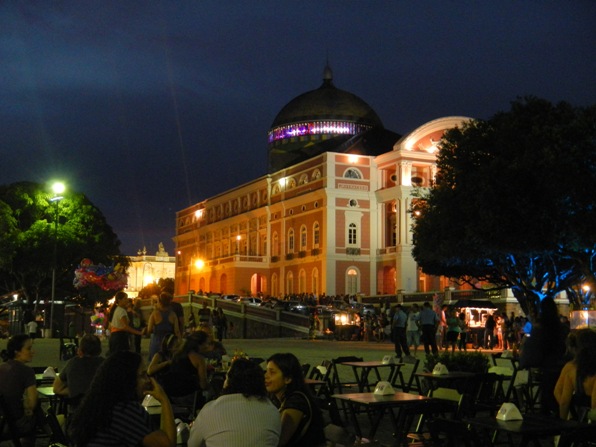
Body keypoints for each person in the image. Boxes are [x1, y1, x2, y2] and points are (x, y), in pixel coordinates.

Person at [68, 350, 176, 447]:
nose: (148, 380)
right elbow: (167, 444)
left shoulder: (101, 407)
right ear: (128, 380)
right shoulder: (124, 411)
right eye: (143, 375)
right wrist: (163, 399)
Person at [187, 358, 281, 446]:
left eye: (226, 378)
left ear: (229, 382)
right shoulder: (272, 411)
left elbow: (192, 444)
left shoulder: (210, 410)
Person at [265, 353, 325, 447]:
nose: (266, 376)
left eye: (272, 372)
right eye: (266, 371)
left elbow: (280, 440)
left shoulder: (296, 402)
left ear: (288, 379)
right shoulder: (276, 399)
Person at [519, 297, 567, 416]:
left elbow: (531, 347)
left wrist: (524, 362)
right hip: (561, 367)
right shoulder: (562, 328)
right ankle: (559, 418)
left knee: (546, 397)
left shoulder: (540, 328)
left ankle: (546, 422)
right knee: (556, 396)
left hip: (545, 367)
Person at [0, 334, 38, 447]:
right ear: (17, 352)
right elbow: (32, 403)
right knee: (36, 416)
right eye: (28, 348)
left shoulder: (1, 368)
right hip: (12, 424)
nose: (32, 352)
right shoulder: (27, 372)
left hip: (1, 421)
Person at [53, 334, 104, 413]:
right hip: (100, 415)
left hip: (76, 416)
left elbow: (56, 388)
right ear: (99, 350)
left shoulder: (73, 363)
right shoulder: (105, 364)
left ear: (80, 350)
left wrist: (74, 390)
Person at [554, 328, 596, 421]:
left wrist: (564, 422)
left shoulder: (571, 368)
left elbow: (562, 397)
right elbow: (594, 405)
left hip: (579, 421)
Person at [147, 292, 181, 361]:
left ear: (159, 302)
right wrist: (179, 342)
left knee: (155, 363)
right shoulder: (173, 315)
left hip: (156, 342)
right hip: (168, 343)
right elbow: (177, 331)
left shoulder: (154, 314)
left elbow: (149, 330)